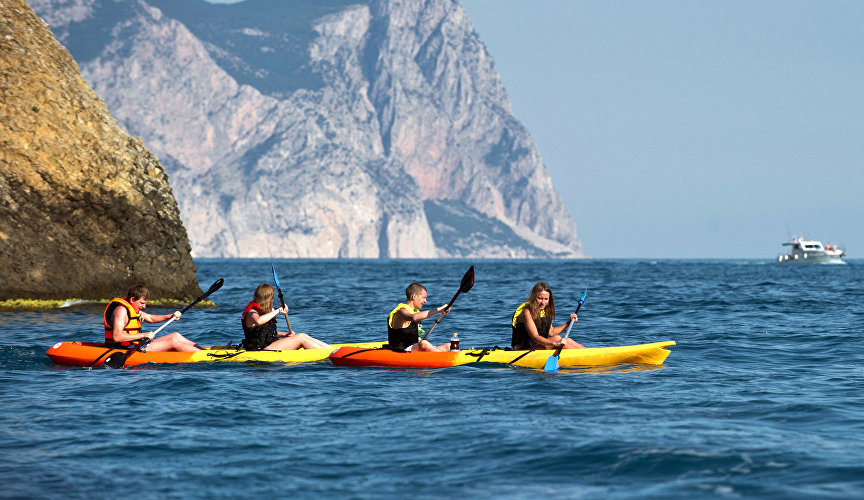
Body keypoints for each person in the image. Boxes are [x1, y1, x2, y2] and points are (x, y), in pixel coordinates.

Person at [104, 284, 202, 352]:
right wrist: (143, 335)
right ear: (132, 299)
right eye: (142, 303)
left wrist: (170, 316)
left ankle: (204, 351)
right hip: (125, 349)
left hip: (135, 345)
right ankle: (207, 356)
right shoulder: (121, 311)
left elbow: (150, 318)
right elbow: (117, 337)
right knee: (173, 342)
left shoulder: (134, 310)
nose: (144, 306)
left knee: (175, 336)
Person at [241, 284, 330, 350]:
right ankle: (330, 353)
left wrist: (285, 335)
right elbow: (259, 321)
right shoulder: (252, 312)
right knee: (301, 337)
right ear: (268, 299)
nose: (273, 300)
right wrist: (278, 311)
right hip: (261, 350)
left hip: (269, 346)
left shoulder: (264, 312)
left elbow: (265, 333)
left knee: (304, 336)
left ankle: (330, 349)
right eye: (272, 297)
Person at [511, 282, 584, 350]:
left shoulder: (543, 311)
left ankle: (589, 353)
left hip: (538, 347)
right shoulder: (527, 312)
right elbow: (535, 337)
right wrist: (554, 343)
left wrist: (569, 323)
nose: (543, 302)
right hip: (523, 350)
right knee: (556, 338)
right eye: (540, 298)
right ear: (533, 297)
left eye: (546, 299)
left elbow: (551, 332)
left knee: (567, 340)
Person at [387, 282, 452, 352]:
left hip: (414, 349)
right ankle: (443, 359)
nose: (425, 301)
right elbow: (413, 317)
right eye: (424, 298)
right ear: (414, 296)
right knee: (423, 343)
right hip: (401, 350)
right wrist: (439, 310)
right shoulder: (400, 312)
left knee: (449, 346)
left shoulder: (415, 311)